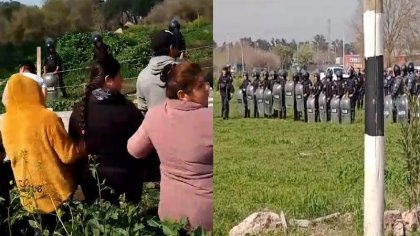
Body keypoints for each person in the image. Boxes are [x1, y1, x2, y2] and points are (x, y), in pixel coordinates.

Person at [127, 62, 212, 231]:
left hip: (169, 212)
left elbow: (134, 149)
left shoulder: (154, 115)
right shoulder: (210, 120)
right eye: (201, 86)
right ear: (182, 95)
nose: (208, 88)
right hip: (205, 216)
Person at [1, 72, 85, 231]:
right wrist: (83, 145)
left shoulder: (5, 122)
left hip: (28, 194)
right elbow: (68, 155)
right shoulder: (47, 117)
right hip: (56, 192)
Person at [69, 58, 156, 204]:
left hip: (92, 182)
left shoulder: (79, 111)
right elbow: (144, 146)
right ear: (108, 80)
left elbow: (74, 149)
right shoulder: (128, 110)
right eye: (119, 76)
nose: (122, 81)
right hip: (126, 182)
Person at [136, 30, 181, 115]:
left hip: (154, 126)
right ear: (171, 48)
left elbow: (142, 110)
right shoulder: (182, 71)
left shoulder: (142, 76)